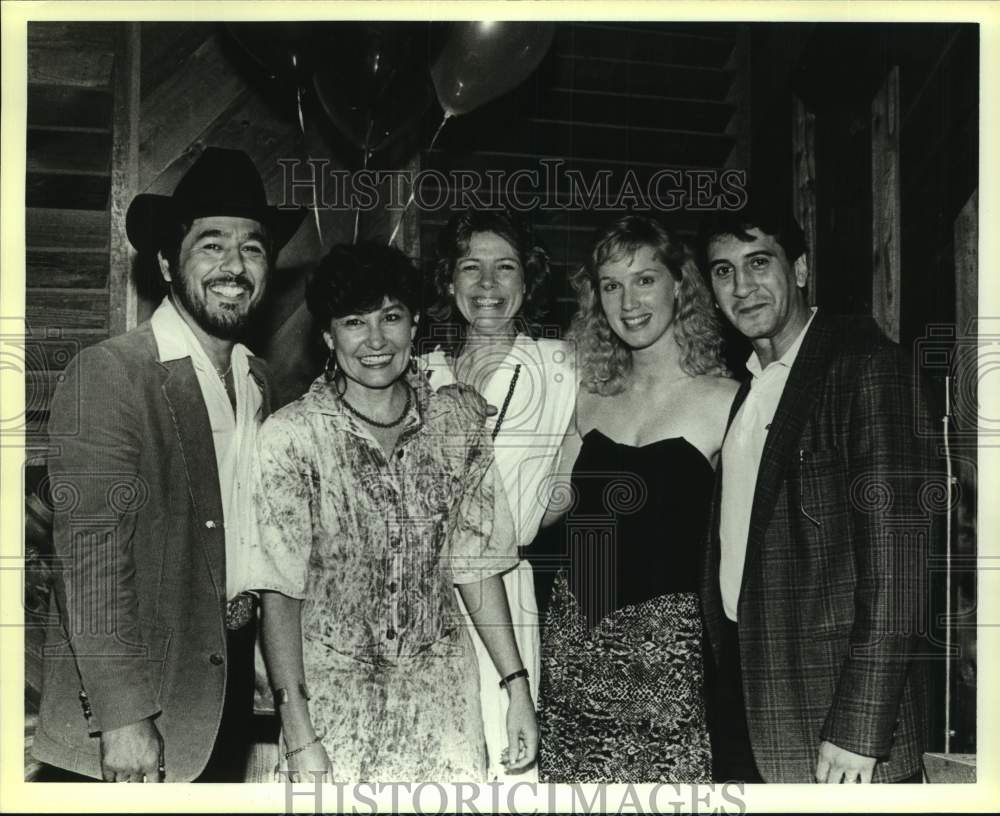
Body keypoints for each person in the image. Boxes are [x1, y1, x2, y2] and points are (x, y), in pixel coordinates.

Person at [32, 147, 304, 782]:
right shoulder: (112, 373)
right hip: (135, 718)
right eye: (211, 246)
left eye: (253, 248)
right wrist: (124, 717)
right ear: (165, 263)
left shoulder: (257, 380)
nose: (235, 266)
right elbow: (89, 560)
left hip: (221, 694)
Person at [248, 242, 538, 782]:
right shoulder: (292, 437)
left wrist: (516, 687)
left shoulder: (457, 421)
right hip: (334, 710)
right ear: (329, 337)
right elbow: (279, 596)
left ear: (414, 325)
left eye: (391, 317)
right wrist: (298, 733)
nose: (376, 340)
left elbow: (476, 566)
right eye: (355, 322)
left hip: (443, 706)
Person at [697, 203, 934, 783]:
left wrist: (859, 729)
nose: (742, 286)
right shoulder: (746, 391)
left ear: (799, 270)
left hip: (841, 727)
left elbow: (900, 568)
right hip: (755, 706)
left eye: (759, 263)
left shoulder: (865, 366)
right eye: (724, 271)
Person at [538, 214, 738, 782]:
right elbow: (538, 511)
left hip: (671, 664)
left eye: (645, 279)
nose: (628, 301)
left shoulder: (729, 401)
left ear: (681, 284)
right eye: (611, 285)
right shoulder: (584, 396)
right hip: (575, 645)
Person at [419, 209, 576, 781]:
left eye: (505, 267)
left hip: (506, 596)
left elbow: (569, 486)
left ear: (528, 281)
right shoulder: (416, 374)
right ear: (448, 281)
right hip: (417, 603)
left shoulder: (562, 367)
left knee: (505, 777)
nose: (487, 285)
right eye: (471, 268)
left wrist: (514, 528)